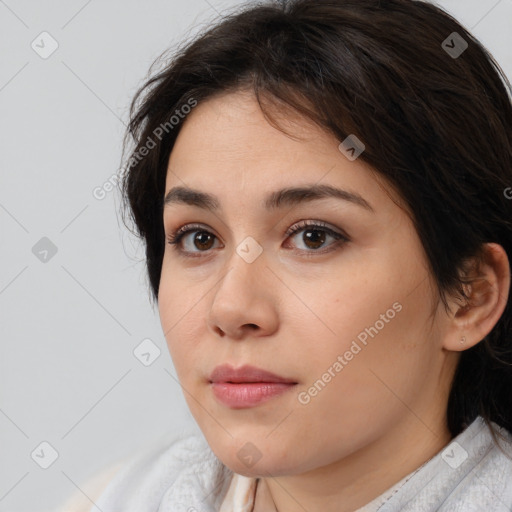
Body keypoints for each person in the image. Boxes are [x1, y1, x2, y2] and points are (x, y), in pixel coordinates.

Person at [60, 0, 512, 510]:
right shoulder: (117, 499)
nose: (230, 309)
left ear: (471, 295)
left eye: (314, 237)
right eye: (199, 238)